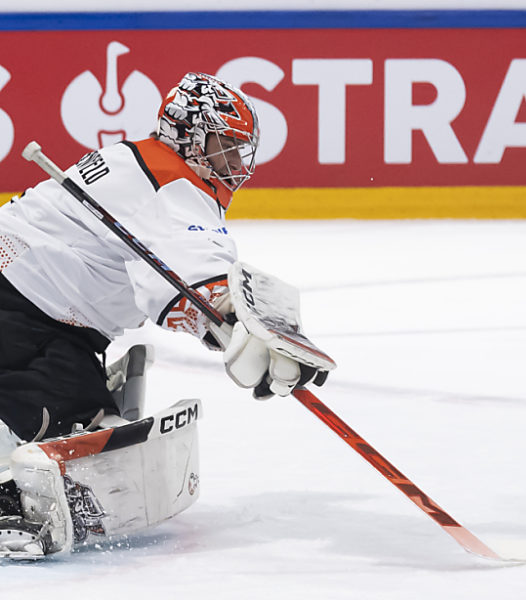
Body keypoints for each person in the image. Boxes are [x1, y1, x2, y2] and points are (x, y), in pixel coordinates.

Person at [0, 72, 325, 556]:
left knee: (84, 426)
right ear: (188, 137)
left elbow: (173, 276)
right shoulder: (172, 182)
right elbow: (193, 281)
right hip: (22, 314)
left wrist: (237, 328)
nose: (237, 165)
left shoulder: (134, 159)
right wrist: (248, 332)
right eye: (225, 147)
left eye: (240, 151)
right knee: (78, 453)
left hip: (31, 309)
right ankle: (11, 500)